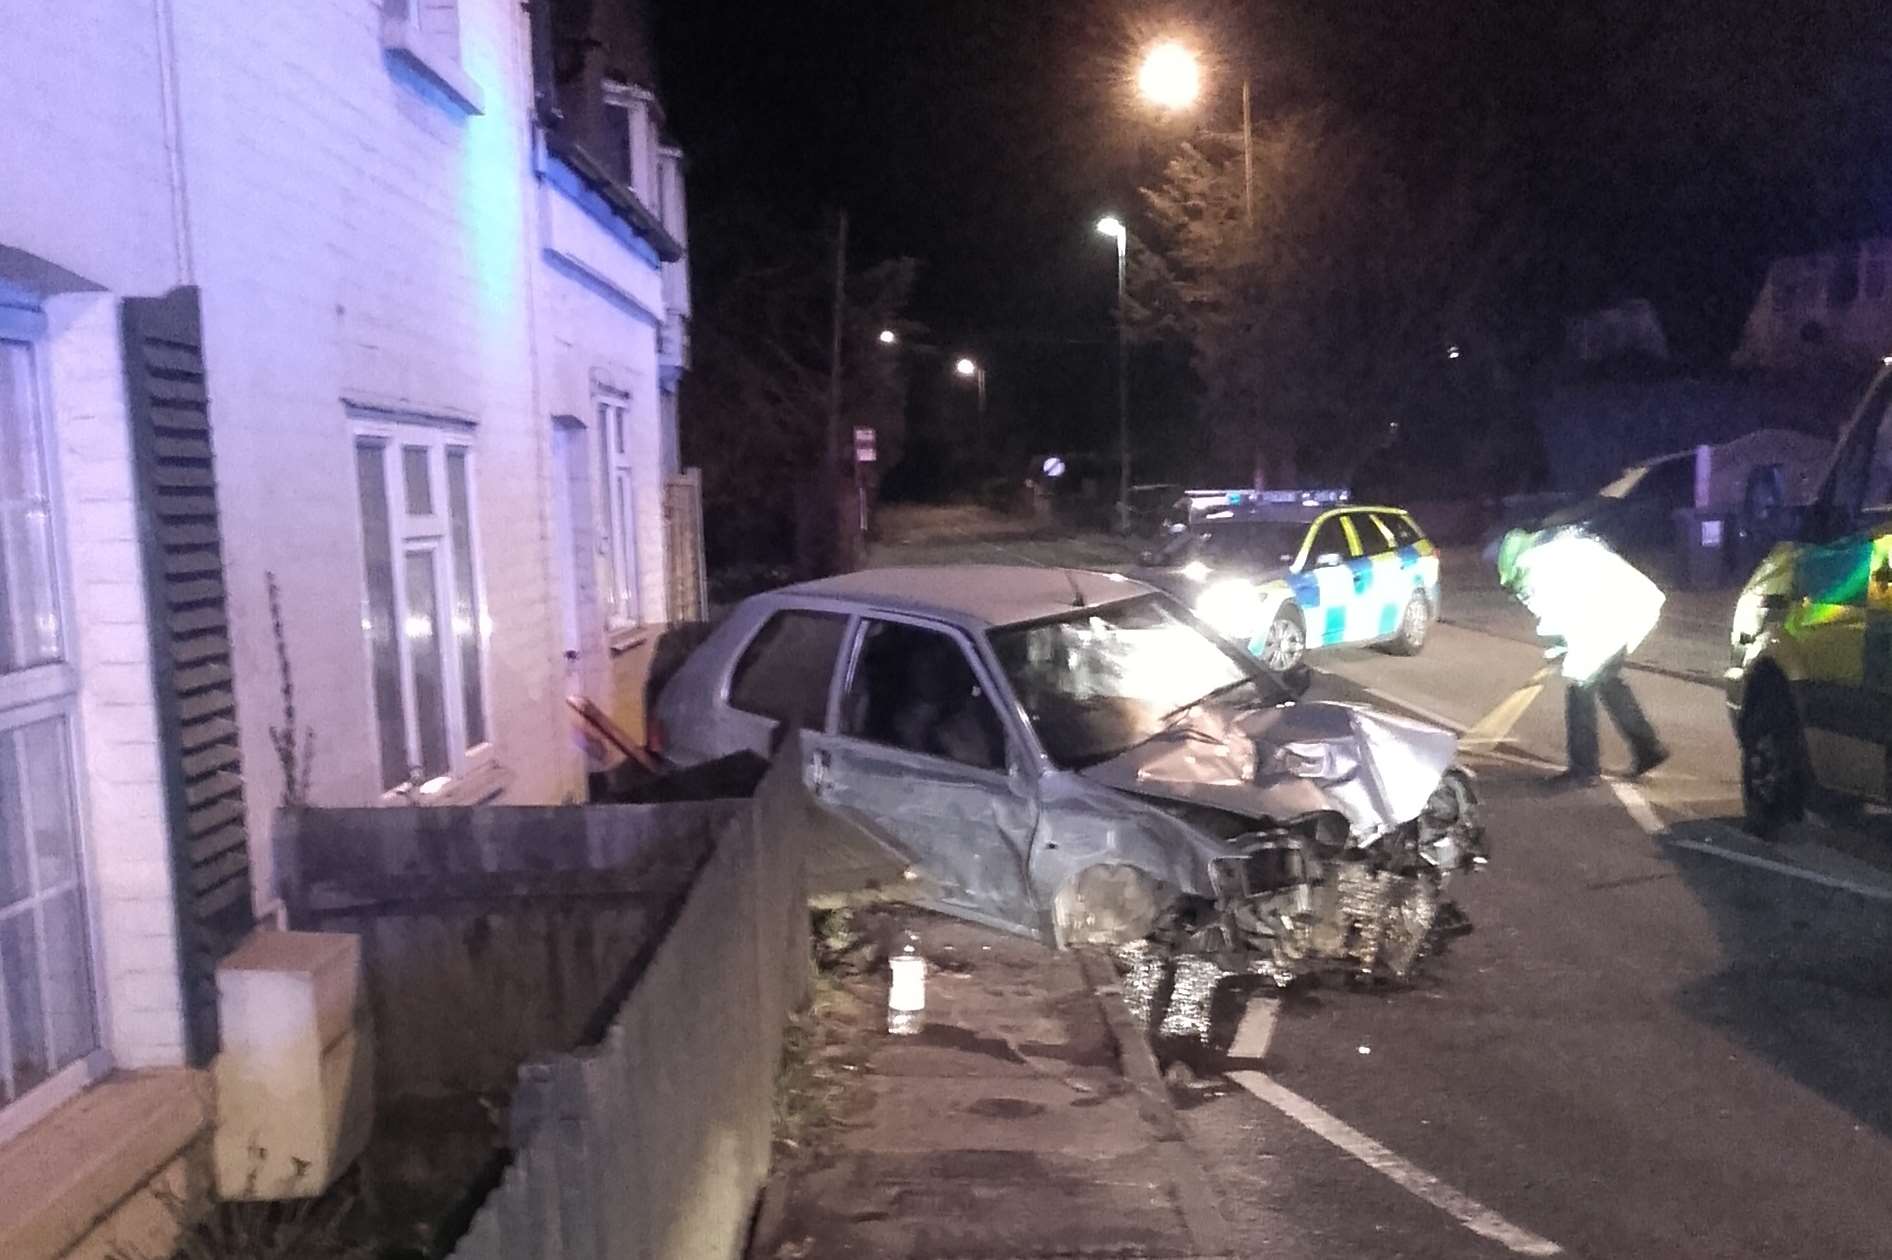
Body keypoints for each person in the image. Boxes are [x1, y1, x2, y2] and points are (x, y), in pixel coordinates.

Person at [1495, 527, 1671, 786]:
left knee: (1579, 687)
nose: (1520, 597)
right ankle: (1647, 749)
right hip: (1635, 607)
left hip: (1607, 615)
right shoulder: (1552, 553)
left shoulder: (1539, 569)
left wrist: (1559, 650)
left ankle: (1584, 769)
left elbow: (1559, 617)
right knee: (1606, 679)